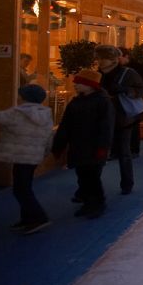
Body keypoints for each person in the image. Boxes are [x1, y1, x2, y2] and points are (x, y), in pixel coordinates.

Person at [0, 84, 53, 234]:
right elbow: (49, 137)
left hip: (21, 155)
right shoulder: (46, 113)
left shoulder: (18, 113)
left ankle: (39, 218)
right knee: (25, 187)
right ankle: (27, 218)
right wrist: (44, 152)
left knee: (21, 189)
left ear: (24, 97)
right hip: (33, 156)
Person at [52, 70, 114, 219]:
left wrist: (102, 147)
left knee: (92, 176)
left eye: (79, 82)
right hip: (78, 145)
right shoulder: (76, 102)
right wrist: (59, 144)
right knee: (82, 175)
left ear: (90, 85)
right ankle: (88, 202)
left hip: (94, 146)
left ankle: (97, 203)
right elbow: (66, 124)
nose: (75, 85)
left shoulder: (102, 101)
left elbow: (106, 126)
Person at [96, 44, 143, 195]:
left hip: (123, 117)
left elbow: (142, 90)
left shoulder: (128, 73)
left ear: (112, 59)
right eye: (98, 58)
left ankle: (127, 183)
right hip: (102, 117)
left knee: (124, 152)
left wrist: (126, 90)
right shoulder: (97, 74)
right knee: (99, 152)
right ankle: (89, 187)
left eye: (102, 58)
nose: (99, 62)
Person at [119, 47, 143, 157]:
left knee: (132, 126)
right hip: (119, 100)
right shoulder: (112, 69)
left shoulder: (136, 68)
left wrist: (130, 91)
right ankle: (120, 149)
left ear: (126, 56)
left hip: (132, 98)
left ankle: (133, 149)